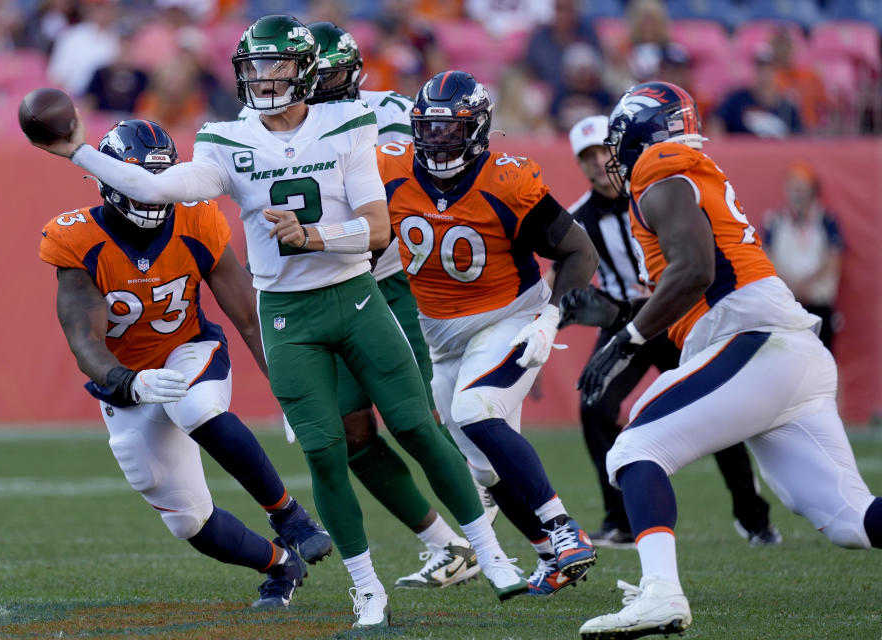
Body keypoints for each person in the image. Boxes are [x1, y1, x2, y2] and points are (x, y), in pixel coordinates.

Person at [32, 15, 528, 629]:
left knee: (417, 427)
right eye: (255, 67)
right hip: (287, 315)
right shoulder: (224, 140)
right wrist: (76, 148)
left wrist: (316, 235)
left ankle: (492, 554)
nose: (265, 79)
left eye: (278, 66)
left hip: (355, 296)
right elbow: (153, 188)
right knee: (323, 454)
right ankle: (363, 586)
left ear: (307, 71)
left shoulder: (347, 124)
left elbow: (378, 228)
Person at [570, 81, 881, 639]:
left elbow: (695, 272)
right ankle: (659, 589)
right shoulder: (686, 169)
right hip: (784, 349)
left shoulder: (659, 169)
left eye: (619, 142)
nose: (616, 158)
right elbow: (690, 277)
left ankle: (661, 593)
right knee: (853, 522)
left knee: (635, 448)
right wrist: (623, 314)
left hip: (754, 338)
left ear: (640, 135)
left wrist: (628, 338)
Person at [37, 119, 333, 611]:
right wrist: (126, 382)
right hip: (126, 383)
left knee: (195, 408)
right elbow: (83, 340)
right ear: (109, 179)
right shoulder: (77, 238)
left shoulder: (196, 219)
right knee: (187, 520)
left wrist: (290, 389)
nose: (151, 195)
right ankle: (279, 565)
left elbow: (249, 318)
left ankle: (291, 516)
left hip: (189, 349)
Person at [377, 70, 600, 597]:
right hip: (441, 336)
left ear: (476, 130)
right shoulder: (387, 169)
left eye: (450, 130)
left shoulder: (507, 179)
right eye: (428, 128)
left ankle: (565, 528)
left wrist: (551, 317)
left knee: (476, 411)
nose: (437, 140)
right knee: (483, 469)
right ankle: (551, 557)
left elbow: (579, 251)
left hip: (508, 317)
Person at [304, 20, 491, 590]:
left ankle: (513, 534)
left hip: (391, 283)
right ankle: (447, 545)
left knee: (422, 419)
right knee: (348, 433)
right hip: (323, 287)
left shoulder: (392, 111)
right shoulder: (271, 129)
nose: (315, 87)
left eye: (326, 75)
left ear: (353, 72)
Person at [560, 114, 781, 548]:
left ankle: (754, 518)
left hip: (678, 313)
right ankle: (621, 520)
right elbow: (560, 276)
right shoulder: (578, 217)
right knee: (595, 405)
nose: (598, 161)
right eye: (587, 156)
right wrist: (549, 316)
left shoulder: (656, 191)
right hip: (628, 321)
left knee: (716, 413)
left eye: (603, 150)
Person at [762, 160, 844, 353]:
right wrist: (789, 283)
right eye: (793, 188)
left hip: (818, 301)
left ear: (812, 190)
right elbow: (766, 258)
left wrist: (808, 284)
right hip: (786, 303)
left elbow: (834, 258)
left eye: (802, 189)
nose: (797, 194)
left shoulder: (826, 220)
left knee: (826, 358)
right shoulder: (774, 221)